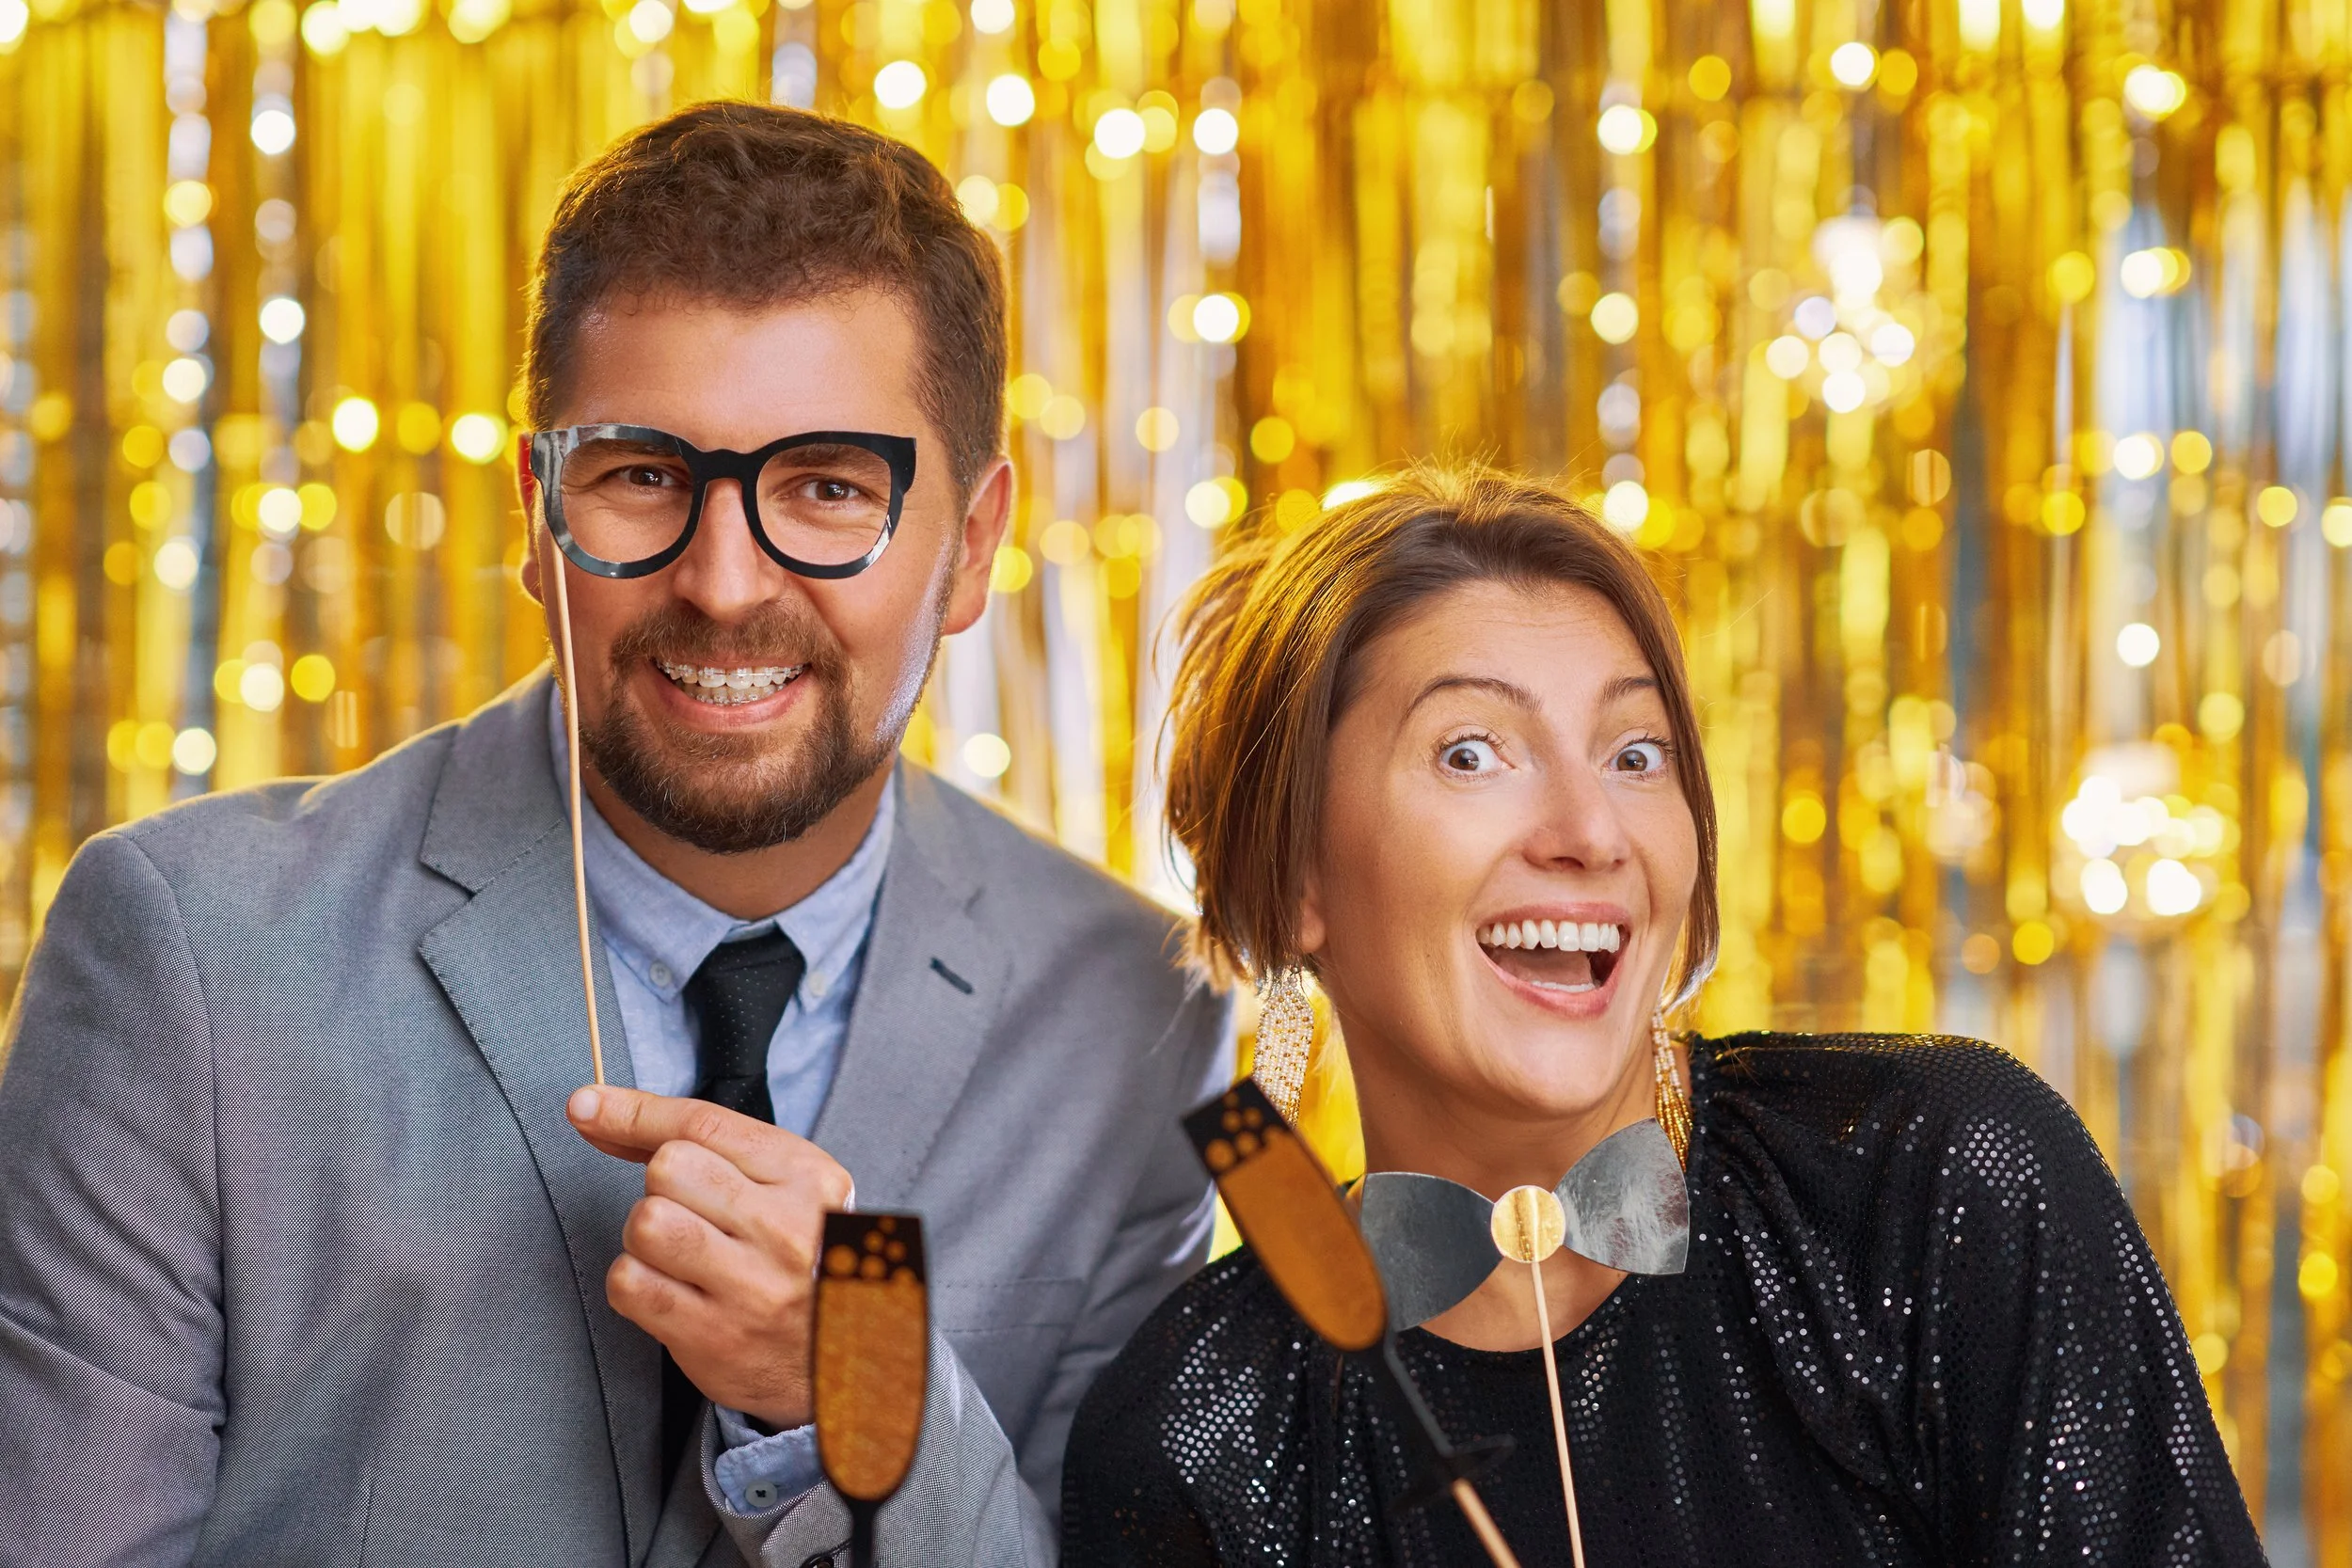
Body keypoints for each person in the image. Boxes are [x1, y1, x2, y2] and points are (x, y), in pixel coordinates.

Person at [0, 103, 1229, 1568]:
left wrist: (860, 1392)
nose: (724, 583)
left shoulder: (1141, 1015)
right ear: (537, 512)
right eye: (643, 475)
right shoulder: (189, 952)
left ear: (971, 543)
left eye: (828, 487)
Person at [1061, 465, 2264, 1566]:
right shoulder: (1196, 1428)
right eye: (1471, 753)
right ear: (1294, 877)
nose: (1592, 830)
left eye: (1635, 754)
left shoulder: (1934, 1177)